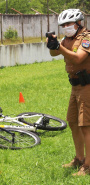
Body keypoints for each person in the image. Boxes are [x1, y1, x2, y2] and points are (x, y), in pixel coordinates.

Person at [46, 9, 90, 176]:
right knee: (73, 122)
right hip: (75, 86)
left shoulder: (87, 38)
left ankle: (88, 165)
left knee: (86, 126)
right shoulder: (67, 39)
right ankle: (79, 158)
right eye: (63, 25)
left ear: (78, 23)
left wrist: (60, 47)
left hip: (87, 86)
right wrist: (52, 44)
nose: (65, 27)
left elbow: (78, 58)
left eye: (68, 24)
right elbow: (53, 53)